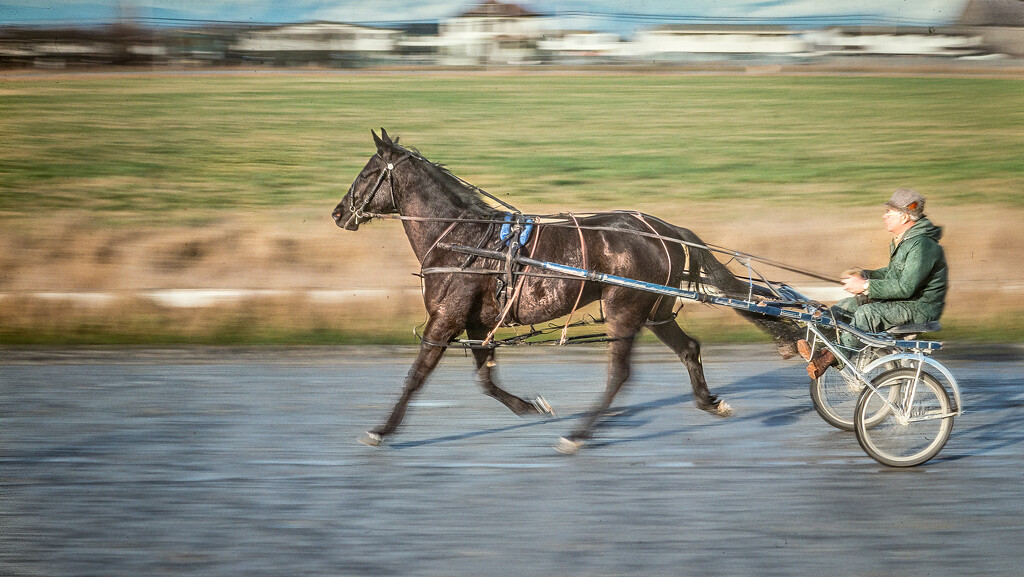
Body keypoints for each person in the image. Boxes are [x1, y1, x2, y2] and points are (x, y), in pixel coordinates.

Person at [800, 188, 948, 379]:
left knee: (866, 314)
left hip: (922, 308)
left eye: (889, 212)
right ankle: (817, 347)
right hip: (909, 303)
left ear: (904, 217)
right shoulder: (906, 240)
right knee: (849, 305)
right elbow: (891, 274)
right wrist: (864, 276)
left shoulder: (922, 245)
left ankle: (830, 358)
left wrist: (865, 286)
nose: (884, 216)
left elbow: (905, 287)